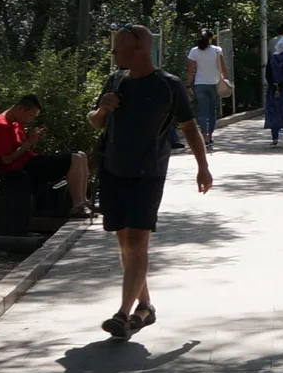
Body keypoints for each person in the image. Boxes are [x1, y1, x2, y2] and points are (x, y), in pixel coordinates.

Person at [88, 25, 212, 338]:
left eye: (118, 48)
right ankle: (145, 306)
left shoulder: (168, 85)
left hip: (149, 171)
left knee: (136, 242)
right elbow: (95, 122)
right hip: (113, 169)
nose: (113, 53)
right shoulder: (115, 81)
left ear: (139, 49)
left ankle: (122, 314)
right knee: (124, 243)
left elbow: (189, 127)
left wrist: (203, 167)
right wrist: (103, 108)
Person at [0, 95, 88, 214]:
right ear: (20, 109)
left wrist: (34, 139)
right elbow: (6, 160)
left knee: (81, 155)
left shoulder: (16, 121)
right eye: (31, 115)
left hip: (29, 162)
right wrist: (29, 142)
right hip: (19, 170)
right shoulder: (1, 125)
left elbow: (23, 148)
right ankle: (77, 206)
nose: (31, 119)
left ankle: (83, 202)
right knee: (75, 158)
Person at [184, 29, 227, 147]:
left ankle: (204, 138)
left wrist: (188, 85)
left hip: (200, 85)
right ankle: (210, 136)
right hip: (215, 84)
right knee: (212, 112)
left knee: (202, 113)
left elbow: (190, 71)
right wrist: (226, 81)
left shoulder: (194, 51)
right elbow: (223, 69)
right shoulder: (217, 50)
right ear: (210, 38)